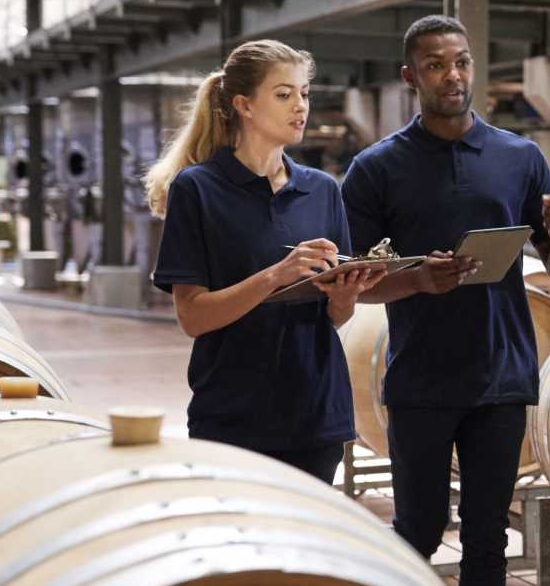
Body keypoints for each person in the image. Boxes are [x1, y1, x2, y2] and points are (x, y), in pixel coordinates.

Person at [344, 15, 550, 586]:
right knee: (417, 532)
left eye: (461, 62)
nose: (452, 76)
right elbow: (361, 282)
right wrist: (420, 279)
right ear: (409, 77)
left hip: (500, 376)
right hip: (421, 378)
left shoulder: (519, 157)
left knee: (486, 537)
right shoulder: (375, 169)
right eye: (435, 65)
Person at [146, 38, 385, 481]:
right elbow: (193, 317)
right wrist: (277, 275)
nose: (301, 106)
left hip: (317, 412)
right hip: (234, 415)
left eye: (304, 93)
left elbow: (330, 318)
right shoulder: (197, 190)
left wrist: (345, 296)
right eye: (284, 94)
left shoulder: (322, 189)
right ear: (244, 105)